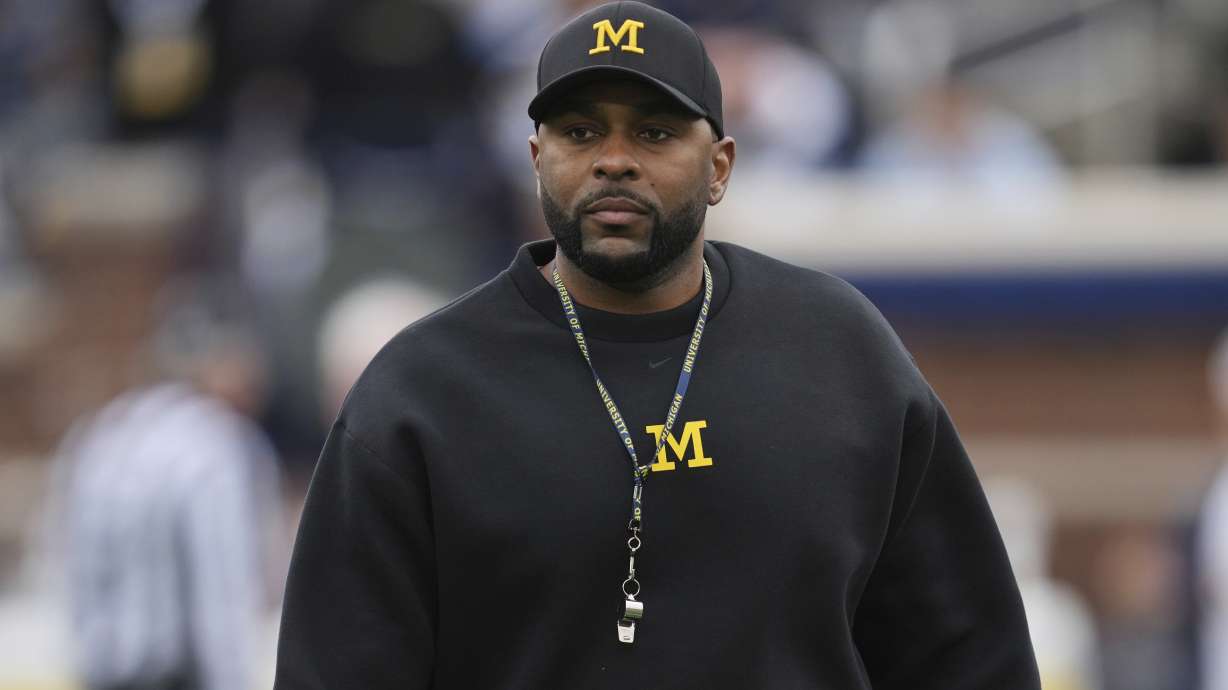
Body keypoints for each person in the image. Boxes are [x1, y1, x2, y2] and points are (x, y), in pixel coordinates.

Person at [274, 2, 1040, 688]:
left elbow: (970, 658)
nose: (614, 158)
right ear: (537, 159)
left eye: (654, 131)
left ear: (720, 167)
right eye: (580, 131)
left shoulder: (838, 352)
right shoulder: (422, 393)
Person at [54, 283, 282, 690]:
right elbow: (222, 592)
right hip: (177, 675)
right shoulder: (213, 444)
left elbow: (68, 567)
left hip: (103, 673)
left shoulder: (103, 432)